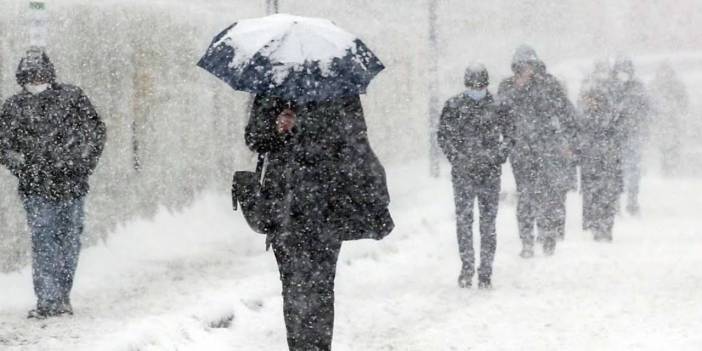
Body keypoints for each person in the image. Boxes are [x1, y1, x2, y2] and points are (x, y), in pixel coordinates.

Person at [245, 94, 393, 351]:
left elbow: (355, 141)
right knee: (293, 288)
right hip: (285, 209)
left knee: (321, 288)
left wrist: (315, 133)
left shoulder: (341, 91)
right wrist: (277, 128)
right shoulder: (271, 90)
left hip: (327, 207)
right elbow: (254, 139)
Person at [0, 48, 106, 319]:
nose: (35, 81)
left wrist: (80, 162)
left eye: (39, 74)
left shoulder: (72, 98)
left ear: (49, 74)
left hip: (72, 185)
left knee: (68, 242)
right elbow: (4, 145)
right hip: (36, 187)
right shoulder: (13, 107)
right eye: (29, 76)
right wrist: (23, 165)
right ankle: (48, 300)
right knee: (44, 240)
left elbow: (95, 133)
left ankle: (61, 295)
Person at [437, 64, 514, 289]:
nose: (476, 89)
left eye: (479, 85)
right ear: (466, 84)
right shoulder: (454, 106)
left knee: (487, 223)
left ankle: (486, 270)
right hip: (464, 173)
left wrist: (498, 155)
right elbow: (443, 136)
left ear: (486, 85)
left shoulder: (499, 106)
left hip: (489, 173)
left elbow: (510, 135)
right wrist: (458, 158)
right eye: (472, 85)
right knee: (465, 222)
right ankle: (468, 266)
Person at [497, 45, 578, 257]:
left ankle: (548, 235)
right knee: (525, 196)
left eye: (528, 65)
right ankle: (526, 241)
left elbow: (567, 113)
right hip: (521, 152)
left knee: (547, 195)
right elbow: (499, 114)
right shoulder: (507, 86)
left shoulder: (549, 85)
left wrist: (569, 142)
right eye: (521, 66)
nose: (525, 70)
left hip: (547, 150)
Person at [577, 61, 624, 242]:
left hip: (605, 163)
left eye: (592, 100)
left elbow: (616, 137)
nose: (589, 103)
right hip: (592, 164)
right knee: (593, 196)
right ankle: (597, 225)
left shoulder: (609, 117)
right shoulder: (586, 116)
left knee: (605, 196)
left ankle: (605, 226)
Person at [610, 58, 651, 215]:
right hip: (615, 135)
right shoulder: (611, 88)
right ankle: (616, 204)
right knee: (615, 171)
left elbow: (646, 109)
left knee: (633, 171)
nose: (623, 74)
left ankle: (632, 202)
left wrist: (642, 126)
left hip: (632, 134)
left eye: (626, 70)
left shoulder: (637, 88)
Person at [650, 62, 689, 176]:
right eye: (662, 72)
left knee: (673, 146)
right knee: (663, 146)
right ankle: (666, 169)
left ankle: (671, 168)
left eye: (666, 72)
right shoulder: (655, 85)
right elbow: (650, 103)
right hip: (663, 123)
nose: (664, 75)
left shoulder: (676, 86)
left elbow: (684, 102)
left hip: (673, 122)